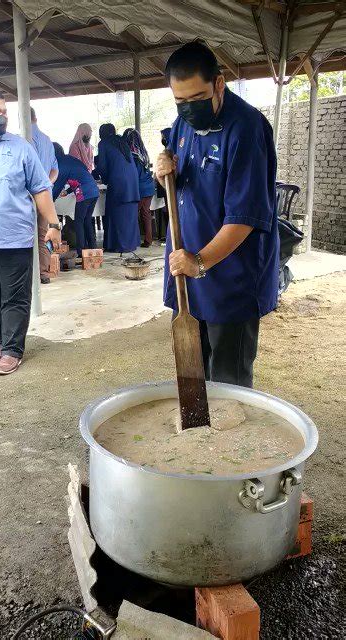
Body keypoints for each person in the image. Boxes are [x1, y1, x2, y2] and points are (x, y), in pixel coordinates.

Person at [156, 42, 279, 388]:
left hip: (230, 279)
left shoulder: (247, 129)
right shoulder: (182, 123)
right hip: (188, 275)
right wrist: (164, 170)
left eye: (197, 98)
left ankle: (233, 442)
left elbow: (244, 218)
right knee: (195, 375)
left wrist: (199, 262)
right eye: (180, 102)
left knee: (229, 382)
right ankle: (201, 439)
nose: (189, 109)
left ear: (219, 84)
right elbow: (180, 173)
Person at [0, 91, 61, 376]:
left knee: (15, 295)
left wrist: (54, 224)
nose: (1, 117)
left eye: (3, 112)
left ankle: (11, 349)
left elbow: (41, 190)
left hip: (13, 237)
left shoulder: (21, 148)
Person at [96, 124, 140, 253]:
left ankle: (117, 245)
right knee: (130, 214)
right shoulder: (121, 141)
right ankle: (131, 244)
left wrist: (102, 179)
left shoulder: (103, 143)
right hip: (132, 181)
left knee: (116, 214)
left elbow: (103, 166)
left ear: (102, 133)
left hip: (118, 181)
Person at [52, 143, 99, 258]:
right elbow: (80, 175)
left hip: (84, 193)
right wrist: (67, 192)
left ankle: (81, 252)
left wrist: (49, 200)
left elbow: (58, 185)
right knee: (87, 220)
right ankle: (93, 249)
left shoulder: (60, 164)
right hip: (94, 191)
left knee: (78, 222)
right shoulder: (70, 159)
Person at [31, 107, 59, 285]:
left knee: (26, 236)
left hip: (28, 197)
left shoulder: (23, 138)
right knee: (43, 235)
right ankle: (44, 273)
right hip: (45, 197)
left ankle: (30, 275)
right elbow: (55, 169)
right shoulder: (48, 141)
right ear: (36, 117)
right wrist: (46, 185)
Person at [123, 128, 155, 247]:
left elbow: (133, 175)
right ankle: (148, 240)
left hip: (140, 189)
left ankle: (133, 240)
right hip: (149, 187)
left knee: (132, 214)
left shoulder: (132, 155)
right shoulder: (143, 152)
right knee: (146, 214)